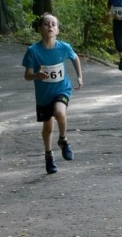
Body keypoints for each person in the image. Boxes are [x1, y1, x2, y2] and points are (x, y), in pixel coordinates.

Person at [22, 12, 83, 174]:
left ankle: (63, 140)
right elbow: (27, 76)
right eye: (46, 24)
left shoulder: (64, 47)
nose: (50, 26)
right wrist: (37, 75)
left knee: (59, 112)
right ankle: (48, 156)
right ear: (40, 29)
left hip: (61, 89)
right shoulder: (33, 51)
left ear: (58, 30)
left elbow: (75, 58)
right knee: (48, 127)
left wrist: (79, 76)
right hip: (43, 95)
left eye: (53, 24)